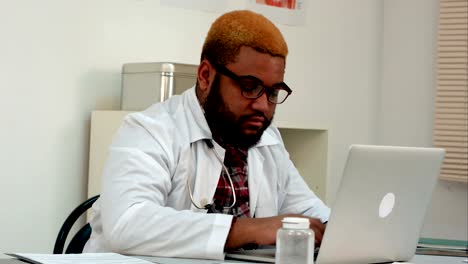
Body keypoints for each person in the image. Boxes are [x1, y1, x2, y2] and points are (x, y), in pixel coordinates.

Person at [84, 10, 330, 260]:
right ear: (205, 76)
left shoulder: (267, 139)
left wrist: (341, 229)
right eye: (250, 87)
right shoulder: (149, 129)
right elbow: (127, 224)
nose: (263, 106)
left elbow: (312, 214)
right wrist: (249, 229)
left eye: (273, 92)